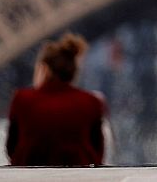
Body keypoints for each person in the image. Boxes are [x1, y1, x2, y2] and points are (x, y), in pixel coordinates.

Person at [6, 33, 107, 167]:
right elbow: (97, 151)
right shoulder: (91, 102)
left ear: (45, 70)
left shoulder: (23, 99)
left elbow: (12, 147)